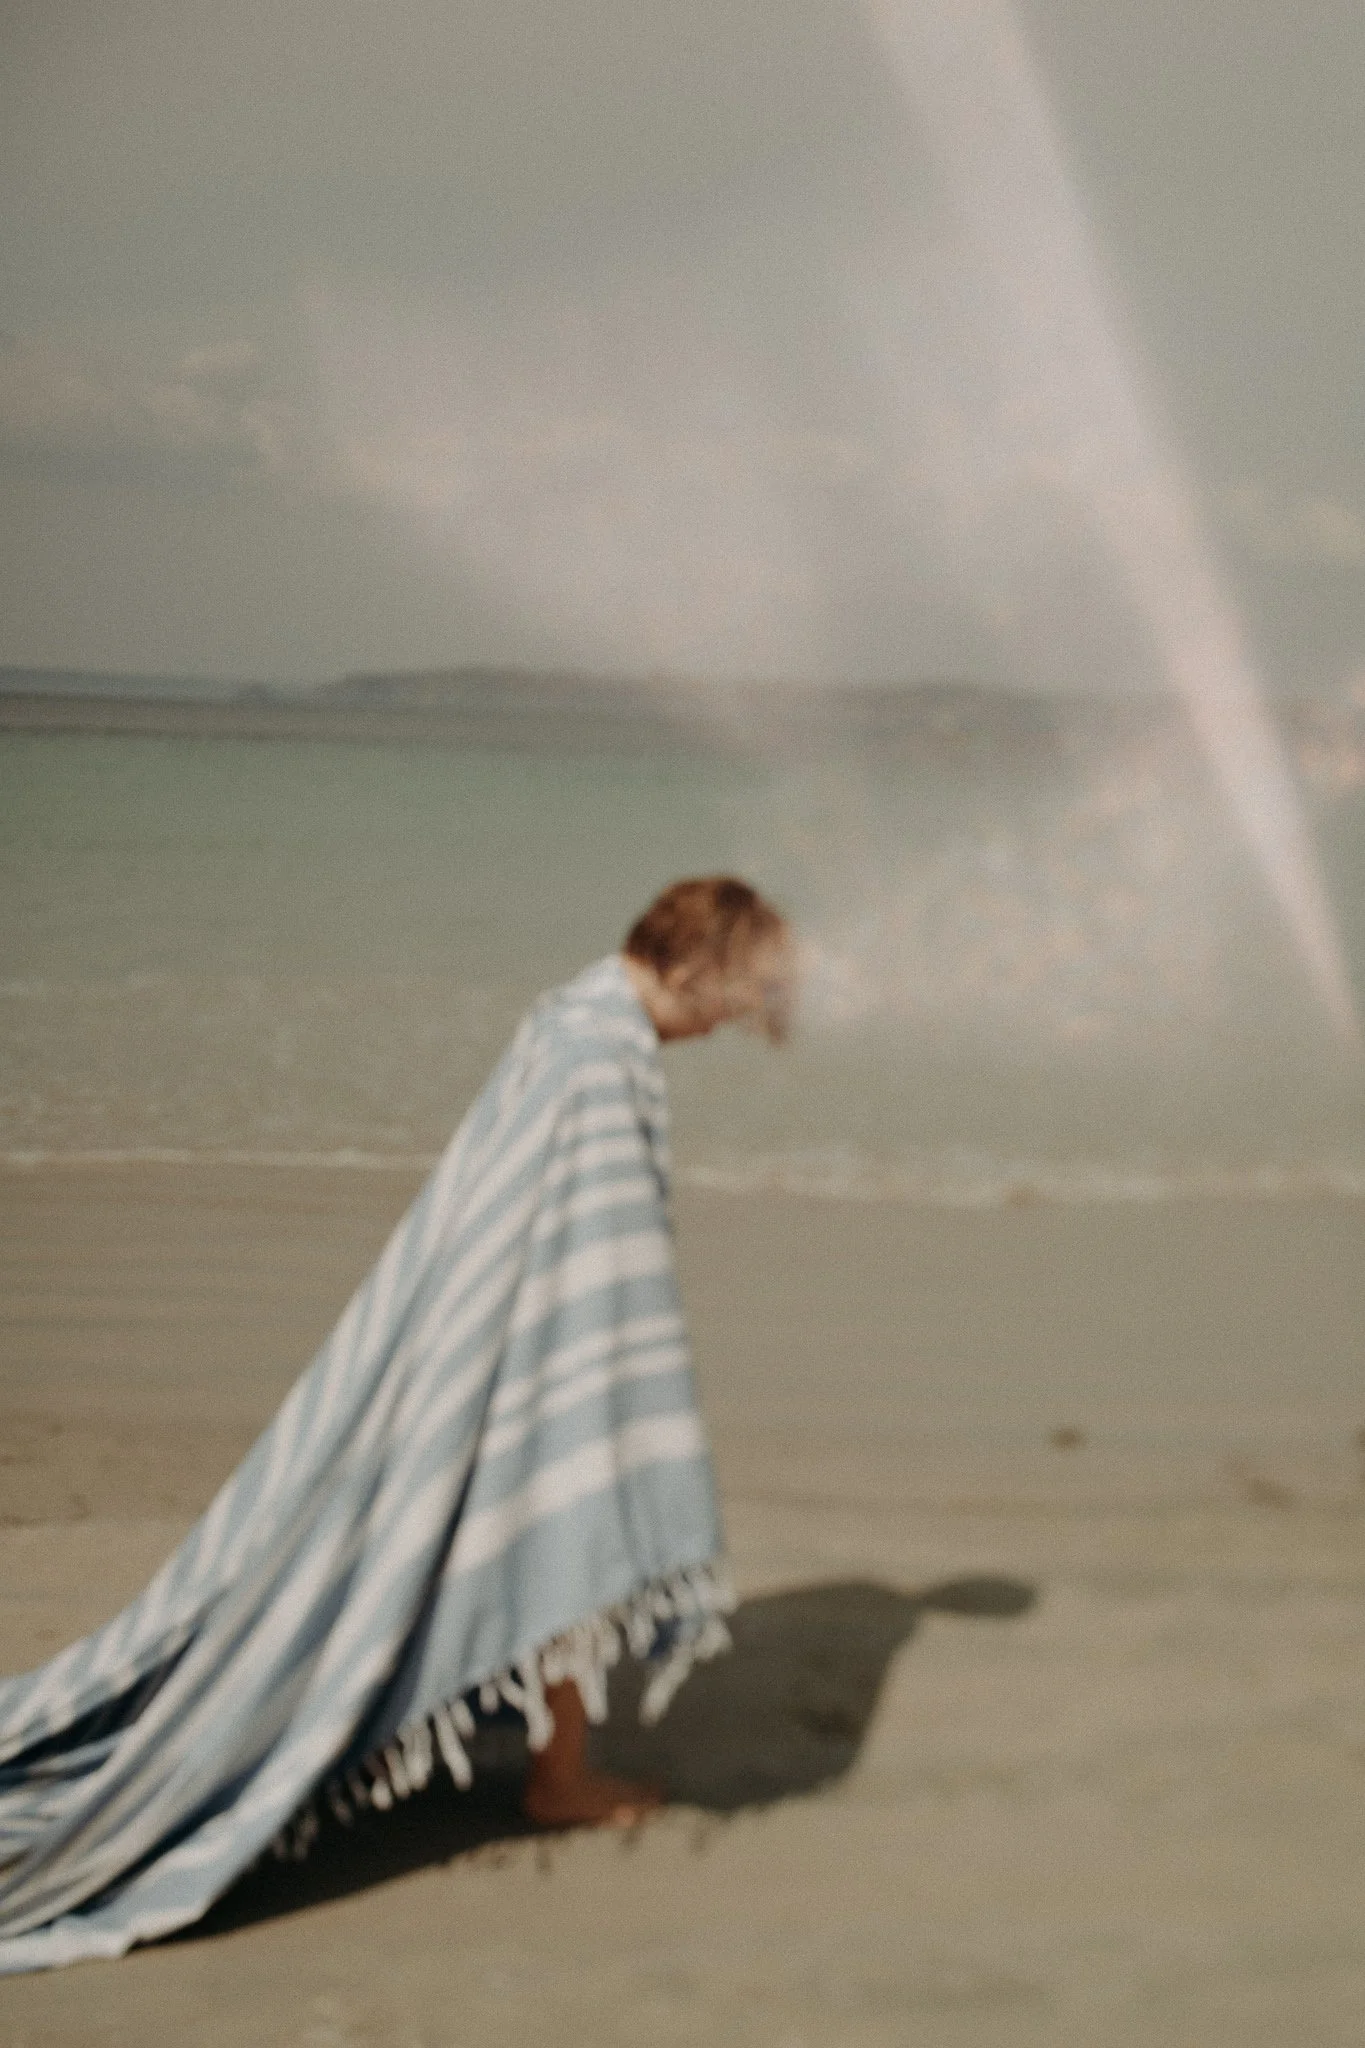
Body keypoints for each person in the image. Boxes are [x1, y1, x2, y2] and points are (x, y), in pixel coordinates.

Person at [0, 876, 794, 1974]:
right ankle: (559, 1776)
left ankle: (560, 1765)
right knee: (565, 1507)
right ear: (695, 963)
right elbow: (603, 1259)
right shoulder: (596, 1058)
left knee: (554, 1518)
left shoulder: (572, 1016)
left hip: (487, 1324)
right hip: (515, 1340)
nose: (730, 1023)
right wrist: (619, 1388)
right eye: (736, 998)